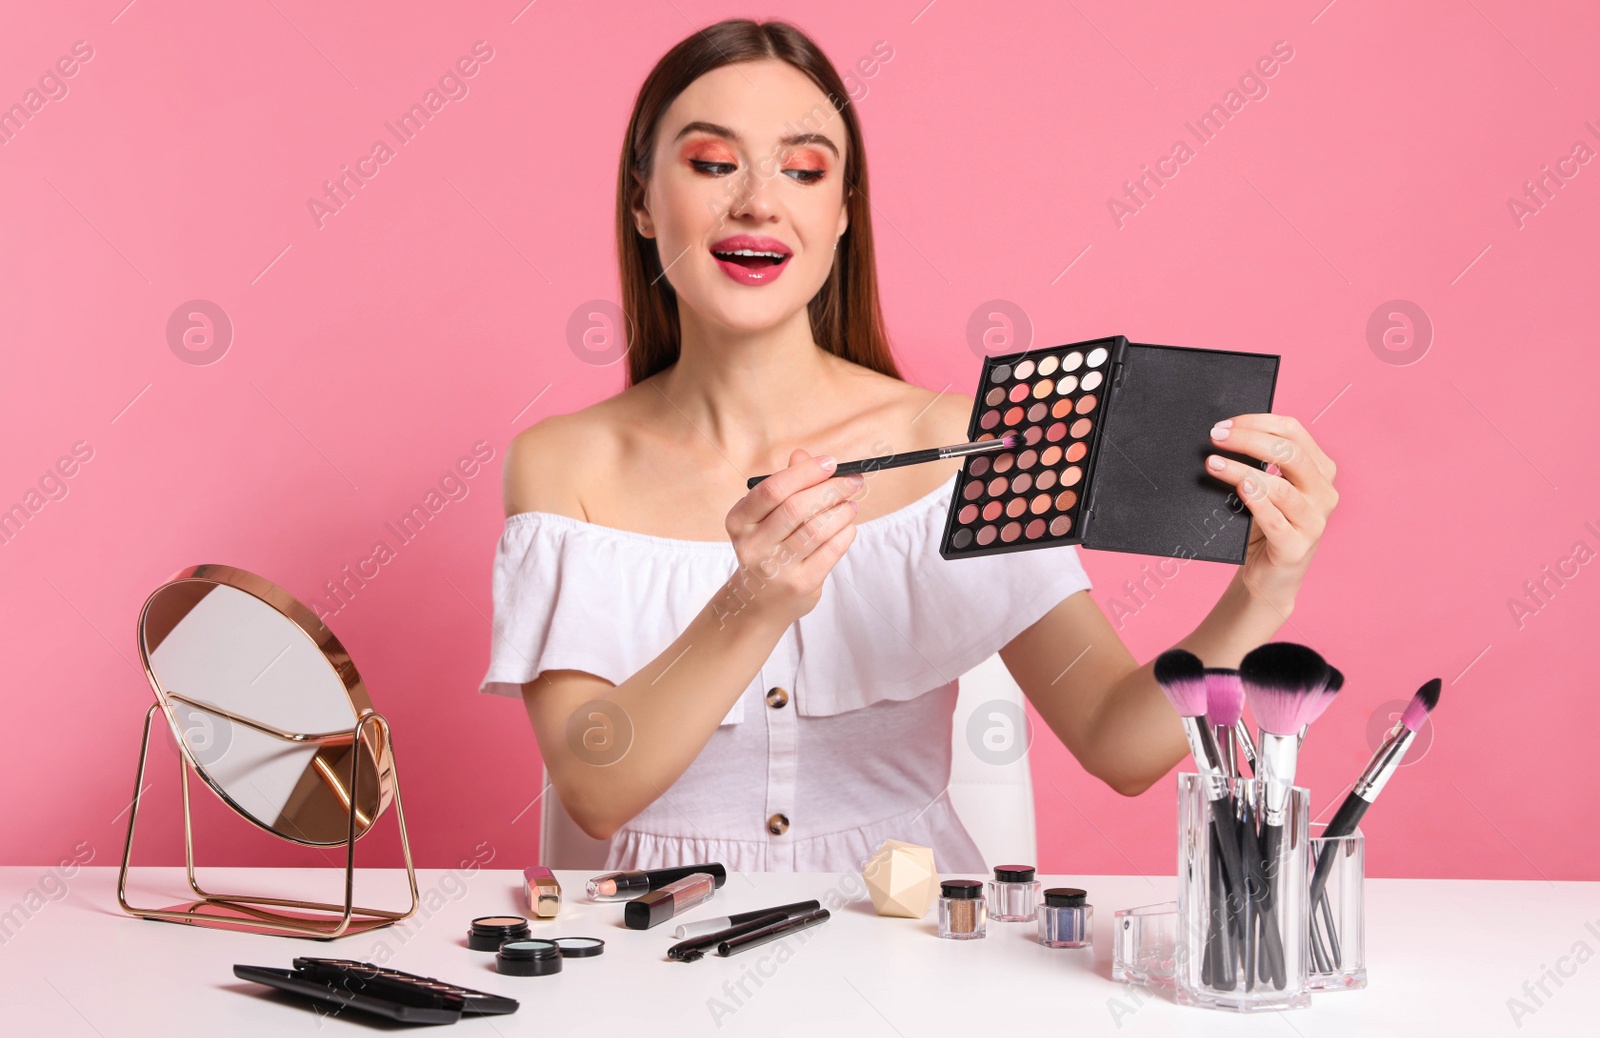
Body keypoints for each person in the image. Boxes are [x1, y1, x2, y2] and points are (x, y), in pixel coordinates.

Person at [479, 19, 1338, 874]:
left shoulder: (962, 443)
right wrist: (752, 601)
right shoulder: (564, 465)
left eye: (805, 169)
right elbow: (595, 787)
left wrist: (1264, 589)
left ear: (844, 211)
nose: (758, 200)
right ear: (640, 200)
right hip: (654, 953)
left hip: (919, 951)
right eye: (712, 163)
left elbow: (1120, 741)